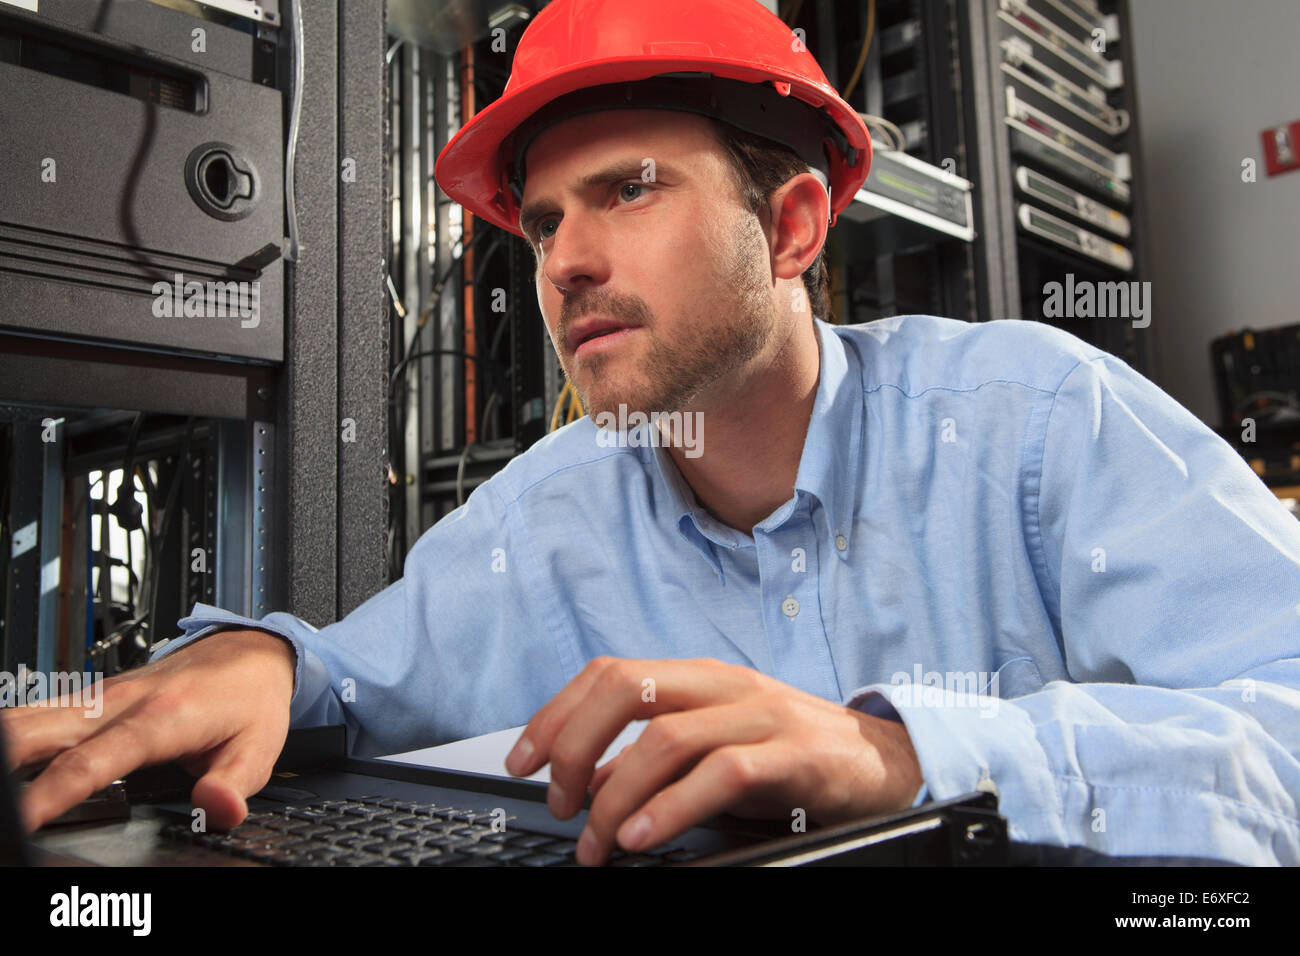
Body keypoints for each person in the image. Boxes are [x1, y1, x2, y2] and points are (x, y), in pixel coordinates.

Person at [5, 0, 1300, 867]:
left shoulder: (1033, 420)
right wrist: (266, 666)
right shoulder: (552, 509)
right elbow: (351, 672)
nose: (565, 262)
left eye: (629, 189)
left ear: (792, 229)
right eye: (546, 220)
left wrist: (908, 756)